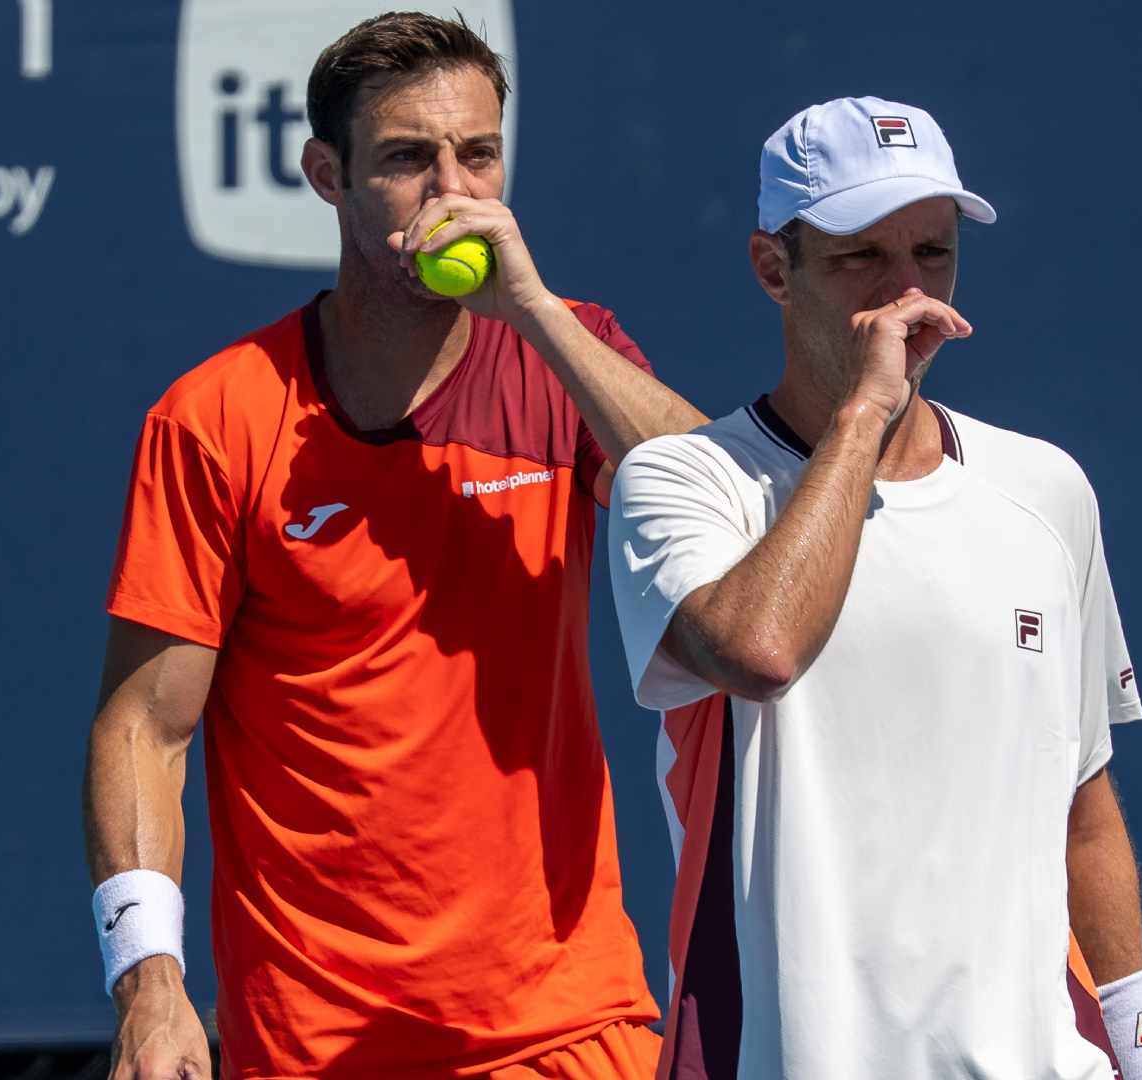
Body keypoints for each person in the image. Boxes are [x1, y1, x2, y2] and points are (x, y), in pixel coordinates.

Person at [82, 12, 704, 1079]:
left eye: (480, 154)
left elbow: (720, 514)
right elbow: (145, 725)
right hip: (318, 1041)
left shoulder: (572, 358)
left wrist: (537, 314)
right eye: (410, 160)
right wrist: (151, 982)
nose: (453, 190)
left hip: (567, 1019)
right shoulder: (216, 416)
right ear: (328, 175)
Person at [607, 96, 1142, 1079]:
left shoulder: (1047, 490)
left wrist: (1141, 1054)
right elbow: (758, 650)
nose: (911, 293)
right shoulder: (684, 480)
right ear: (774, 271)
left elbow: (1084, 810)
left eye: (935, 254)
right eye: (865, 257)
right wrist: (868, 409)